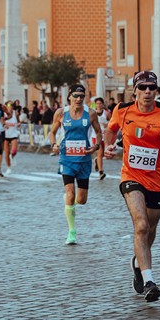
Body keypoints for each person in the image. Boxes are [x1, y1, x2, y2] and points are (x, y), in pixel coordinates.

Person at [104, 71, 160, 302]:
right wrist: (109, 145)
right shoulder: (122, 110)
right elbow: (111, 128)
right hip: (131, 176)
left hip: (158, 180)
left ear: (156, 91)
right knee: (141, 225)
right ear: (134, 90)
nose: (147, 92)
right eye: (142, 87)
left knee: (150, 230)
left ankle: (137, 261)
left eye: (151, 88)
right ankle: (149, 281)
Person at [49, 84, 102, 245]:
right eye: (76, 96)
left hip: (84, 160)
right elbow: (52, 132)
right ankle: (71, 231)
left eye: (81, 96)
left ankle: (69, 202)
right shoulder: (61, 113)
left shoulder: (91, 114)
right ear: (69, 97)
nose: (78, 99)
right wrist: (54, 145)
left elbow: (99, 132)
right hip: (67, 158)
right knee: (70, 194)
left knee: (82, 199)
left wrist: (96, 145)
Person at [94, 97, 111, 180]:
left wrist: (107, 125)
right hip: (96, 136)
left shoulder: (107, 113)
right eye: (97, 103)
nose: (99, 105)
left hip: (105, 135)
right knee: (100, 153)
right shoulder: (93, 113)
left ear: (103, 104)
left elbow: (112, 123)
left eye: (100, 103)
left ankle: (96, 160)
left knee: (103, 154)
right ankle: (101, 172)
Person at [3, 101, 20, 175]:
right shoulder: (3, 113)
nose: (11, 106)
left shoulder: (15, 113)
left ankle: (12, 156)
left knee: (14, 150)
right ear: (6, 106)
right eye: (9, 105)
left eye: (12, 105)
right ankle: (8, 167)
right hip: (6, 135)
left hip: (13, 134)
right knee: (6, 152)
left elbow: (18, 121)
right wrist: (4, 125)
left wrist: (19, 124)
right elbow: (0, 122)